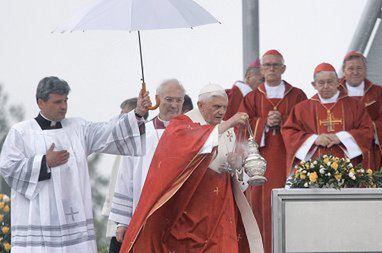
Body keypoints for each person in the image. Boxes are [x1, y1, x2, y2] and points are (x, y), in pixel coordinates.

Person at [0, 76, 151, 253]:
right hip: (38, 223)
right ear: (40, 102)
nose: (63, 106)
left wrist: (138, 113)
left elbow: (109, 132)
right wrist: (44, 162)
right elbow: (8, 167)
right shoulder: (22, 133)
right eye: (57, 102)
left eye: (65, 100)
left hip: (74, 224)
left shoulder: (78, 128)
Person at [119, 84, 264, 253]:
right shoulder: (182, 123)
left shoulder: (230, 129)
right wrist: (229, 123)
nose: (221, 112)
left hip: (221, 206)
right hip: (188, 208)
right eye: (216, 107)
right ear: (201, 105)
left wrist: (237, 164)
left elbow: (239, 173)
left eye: (224, 107)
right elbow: (194, 145)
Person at [238, 49, 307, 253]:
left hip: (290, 159)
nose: (271, 69)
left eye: (276, 65)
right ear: (261, 69)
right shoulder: (252, 97)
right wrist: (264, 123)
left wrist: (284, 120)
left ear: (283, 68)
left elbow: (307, 124)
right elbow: (241, 124)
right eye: (267, 65)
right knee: (262, 206)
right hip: (261, 161)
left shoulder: (297, 95)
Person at [108, 79, 185, 248]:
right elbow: (126, 177)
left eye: (179, 100)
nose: (174, 105)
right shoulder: (142, 134)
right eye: (169, 99)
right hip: (146, 214)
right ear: (157, 100)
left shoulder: (192, 134)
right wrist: (122, 222)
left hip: (181, 217)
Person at [282, 63, 373, 172]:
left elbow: (367, 131)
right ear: (314, 85)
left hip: (349, 170)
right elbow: (289, 133)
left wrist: (340, 138)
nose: (326, 86)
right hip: (312, 172)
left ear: (338, 82)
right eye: (321, 83)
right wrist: (315, 139)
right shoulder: (301, 109)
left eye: (330, 82)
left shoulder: (355, 106)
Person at [101, 97, 148, 253]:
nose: (120, 120)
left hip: (132, 218)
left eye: (124, 115)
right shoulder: (122, 142)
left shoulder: (143, 142)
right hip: (118, 219)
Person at [339, 51, 382, 170]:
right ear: (344, 71)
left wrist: (372, 124)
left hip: (369, 150)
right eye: (351, 68)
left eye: (359, 68)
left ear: (365, 70)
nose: (355, 72)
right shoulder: (334, 91)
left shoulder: (377, 92)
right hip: (341, 148)